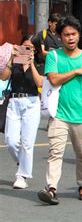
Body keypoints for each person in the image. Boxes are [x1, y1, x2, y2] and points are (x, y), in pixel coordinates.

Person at [37, 16, 82, 205]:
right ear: (60, 37)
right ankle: (51, 188)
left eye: (73, 34)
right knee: (56, 152)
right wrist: (76, 72)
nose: (70, 38)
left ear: (79, 35)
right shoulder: (54, 57)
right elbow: (53, 79)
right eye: (66, 35)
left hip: (81, 115)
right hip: (59, 114)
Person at [1, 35, 44, 189]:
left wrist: (31, 64)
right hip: (14, 101)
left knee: (27, 142)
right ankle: (22, 161)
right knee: (11, 141)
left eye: (30, 48)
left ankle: (22, 175)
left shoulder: (39, 64)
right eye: (24, 47)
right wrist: (11, 59)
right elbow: (4, 77)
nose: (27, 50)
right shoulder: (15, 64)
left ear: (35, 50)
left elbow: (40, 83)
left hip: (32, 103)